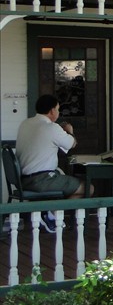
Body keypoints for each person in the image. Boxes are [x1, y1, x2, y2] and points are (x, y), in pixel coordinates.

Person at [15, 94, 90, 232]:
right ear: (51, 111)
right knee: (87, 188)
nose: (58, 112)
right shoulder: (51, 127)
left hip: (23, 180)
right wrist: (69, 131)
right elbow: (71, 144)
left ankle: (46, 212)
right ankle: (52, 216)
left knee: (60, 173)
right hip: (42, 181)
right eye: (58, 109)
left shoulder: (25, 124)